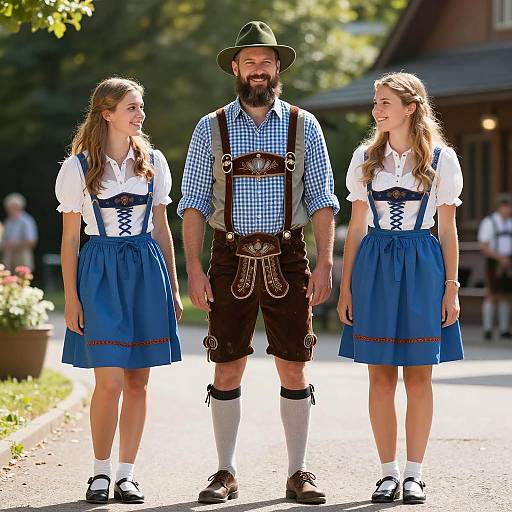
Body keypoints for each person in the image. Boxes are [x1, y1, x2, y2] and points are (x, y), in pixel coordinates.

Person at [179, 21, 339, 505]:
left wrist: (326, 263)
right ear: (235, 67)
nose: (258, 70)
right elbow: (192, 204)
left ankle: (298, 472)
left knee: (294, 365)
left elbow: (323, 201)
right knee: (227, 367)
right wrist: (194, 267)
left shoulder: (303, 124)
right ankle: (225, 471)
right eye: (249, 61)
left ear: (277, 68)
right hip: (228, 257)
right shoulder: (211, 126)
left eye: (266, 61)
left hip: (289, 257)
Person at [337, 72, 464, 505]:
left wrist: (452, 287)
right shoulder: (364, 158)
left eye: (385, 101)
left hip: (423, 265)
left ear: (410, 107)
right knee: (380, 378)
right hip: (373, 265)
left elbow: (448, 231)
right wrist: (347, 287)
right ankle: (387, 472)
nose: (377, 109)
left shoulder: (442, 160)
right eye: (376, 102)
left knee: (419, 377)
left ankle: (415, 474)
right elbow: (355, 228)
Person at [55, 77, 182, 504]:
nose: (140, 115)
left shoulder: (154, 162)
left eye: (141, 107)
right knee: (108, 381)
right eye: (131, 107)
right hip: (101, 272)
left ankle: (127, 473)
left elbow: (163, 229)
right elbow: (71, 239)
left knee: (138, 382)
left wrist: (175, 287)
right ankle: (100, 472)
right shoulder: (78, 168)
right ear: (107, 113)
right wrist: (71, 297)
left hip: (147, 270)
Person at [478, 193, 512, 340]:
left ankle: (504, 330)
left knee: (506, 295)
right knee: (491, 294)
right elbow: (483, 246)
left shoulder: (510, 222)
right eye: (507, 206)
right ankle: (488, 329)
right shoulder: (489, 222)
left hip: (509, 261)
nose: (509, 209)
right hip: (494, 261)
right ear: (500, 207)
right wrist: (500, 258)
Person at [1, 193, 38, 272]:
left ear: (19, 207)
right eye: (9, 207)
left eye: (13, 207)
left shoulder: (27, 221)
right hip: (9, 257)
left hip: (22, 257)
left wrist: (12, 244)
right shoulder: (8, 221)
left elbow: (32, 241)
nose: (10, 209)